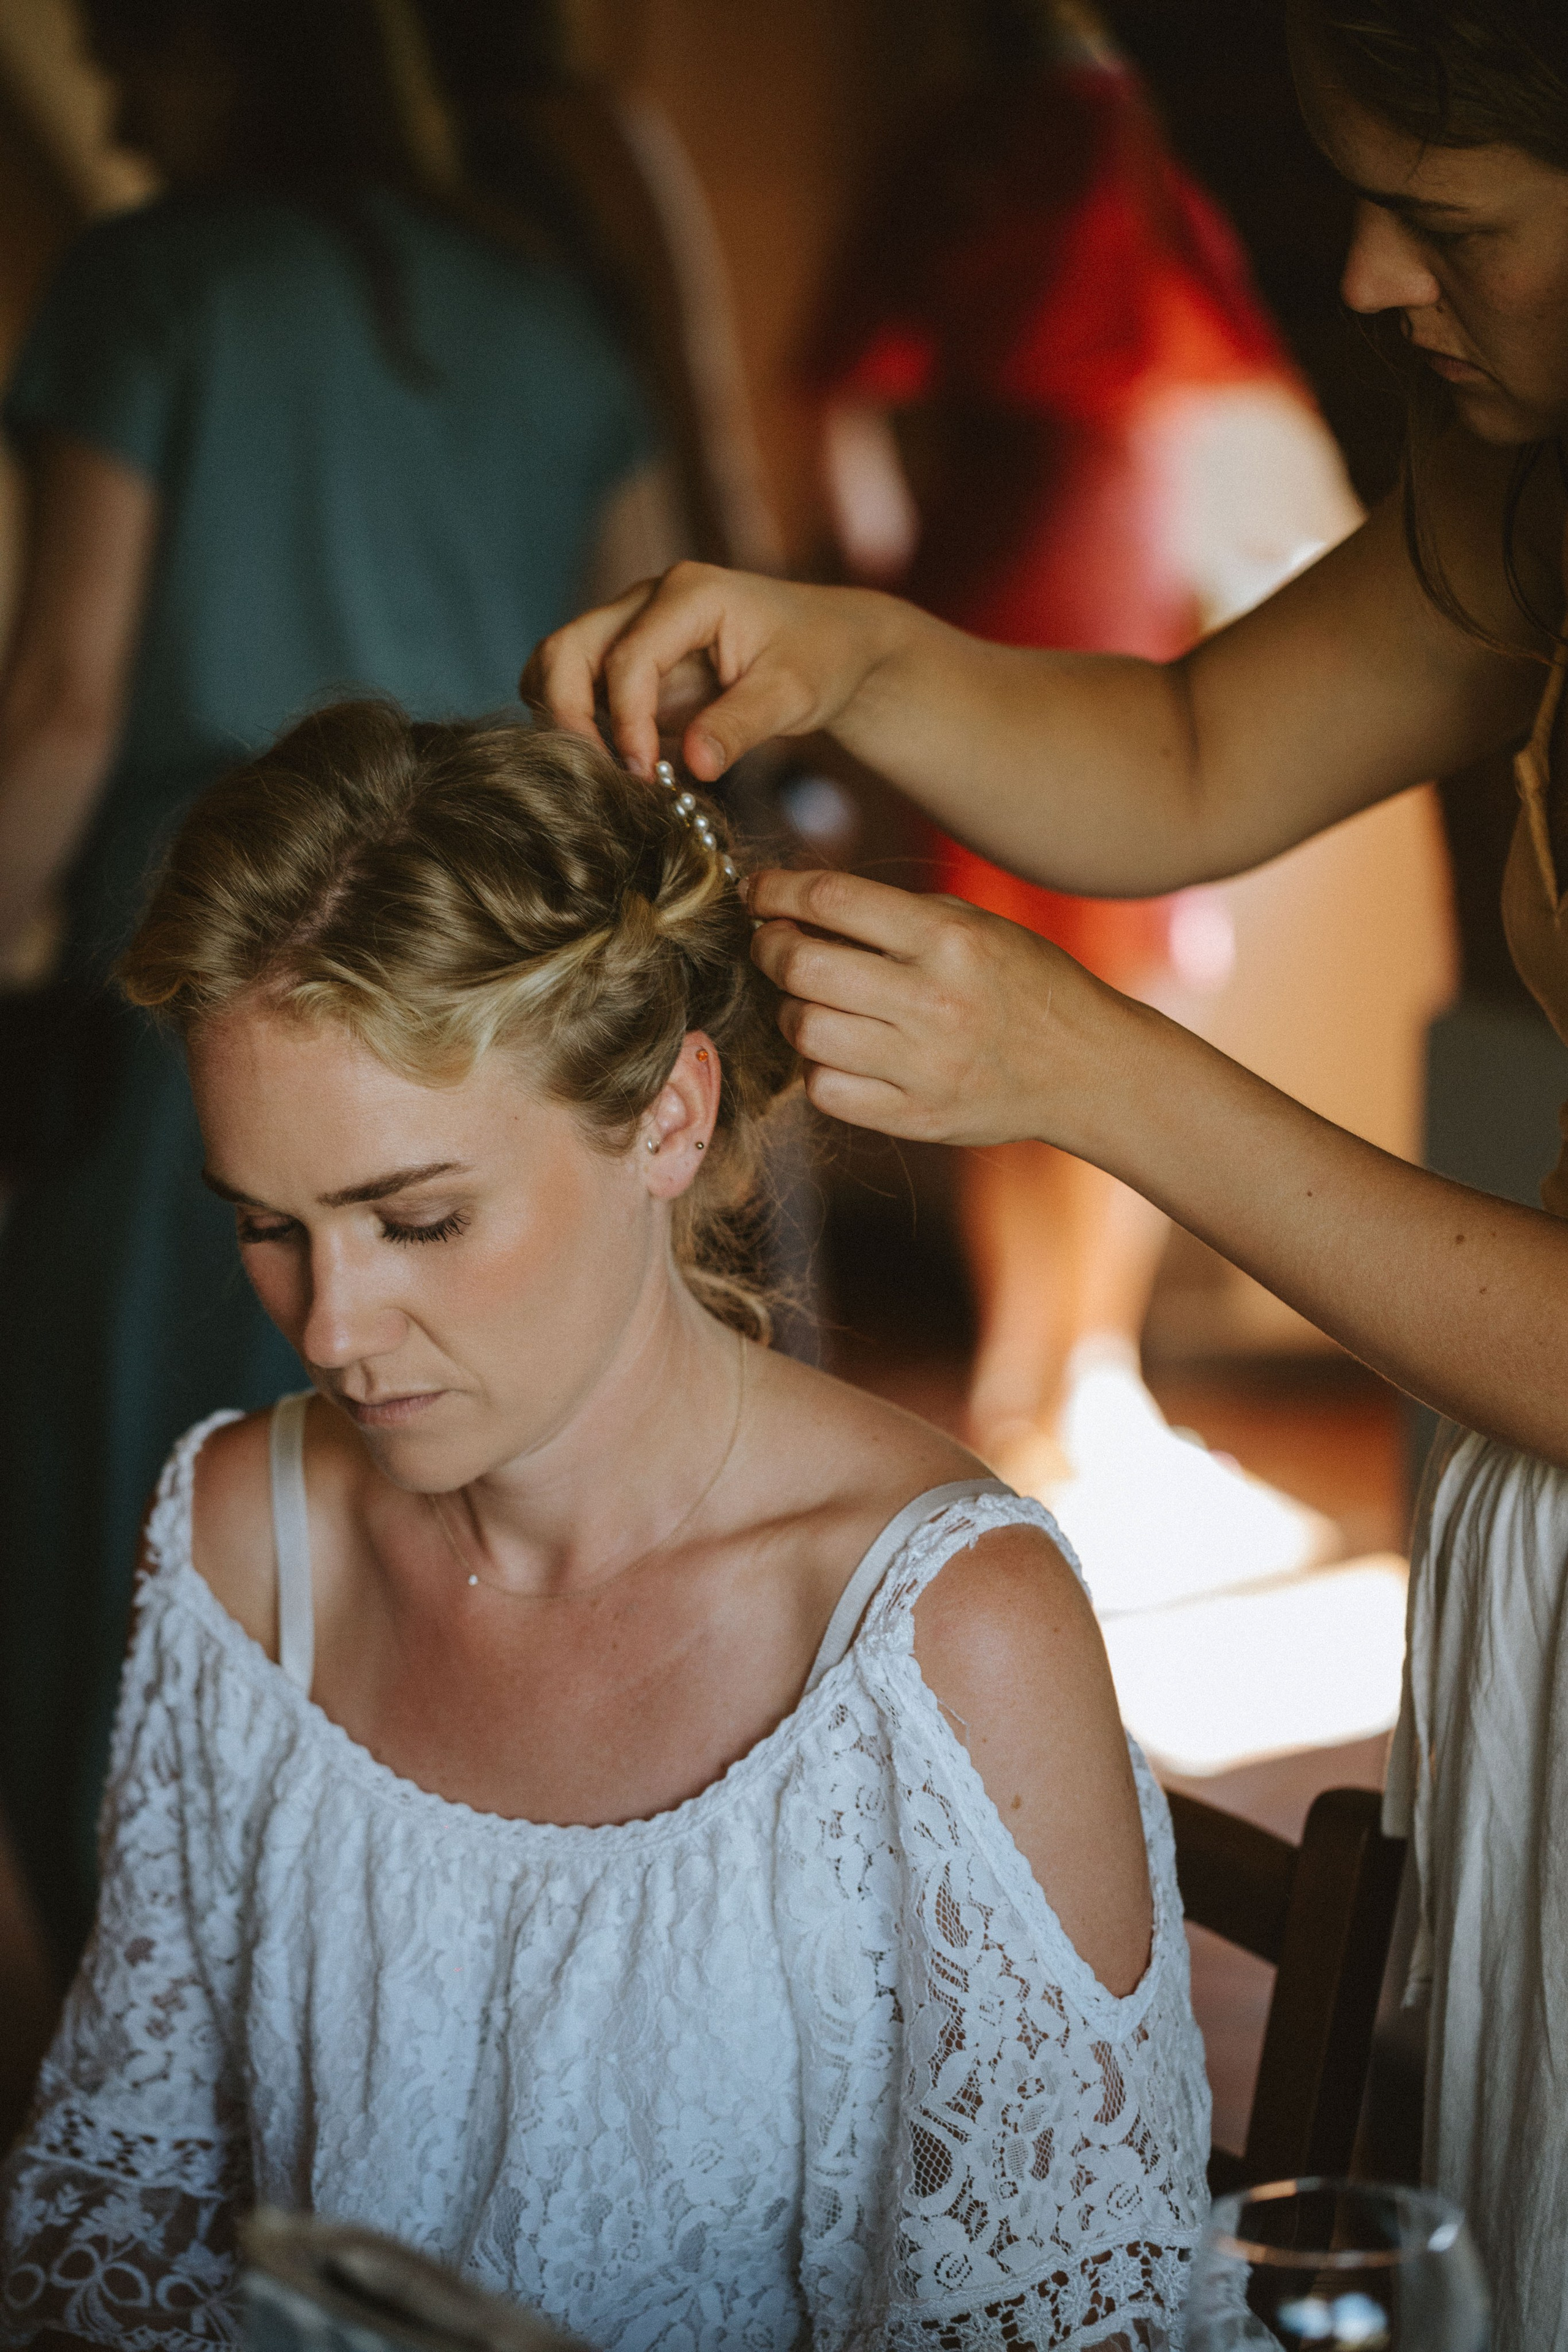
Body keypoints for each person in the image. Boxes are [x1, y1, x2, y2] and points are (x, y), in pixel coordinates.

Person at [525, 4, 1568, 2341]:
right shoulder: (1537, 498)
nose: (1375, 279)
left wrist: (1091, 1067)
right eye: (1362, 201)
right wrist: (857, 654)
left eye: (1454, 218)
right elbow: (1191, 745)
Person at [0, 703, 1208, 2352]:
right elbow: (119, 2220)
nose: (333, 1325)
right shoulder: (244, 1544)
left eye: (417, 1218)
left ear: (669, 1117)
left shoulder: (943, 1641)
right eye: (271, 1227)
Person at [0, 0, 668, 1971]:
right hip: (493, 1009)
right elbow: (655, 676)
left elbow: (61, 700)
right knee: (459, 1510)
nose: (114, 89)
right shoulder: (552, 308)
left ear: (247, 47)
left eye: (143, 44)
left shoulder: (152, 282)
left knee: (132, 1527)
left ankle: (184, 2039)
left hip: (214, 992)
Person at [811, 0, 1353, 1602]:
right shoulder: (1091, 136)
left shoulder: (1027, 136)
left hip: (1040, 596)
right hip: (1051, 597)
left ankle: (1057, 1379)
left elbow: (837, 384)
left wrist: (880, 570)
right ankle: (1054, 1377)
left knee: (1064, 985)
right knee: (1061, 989)